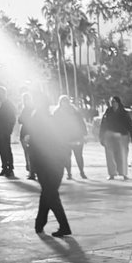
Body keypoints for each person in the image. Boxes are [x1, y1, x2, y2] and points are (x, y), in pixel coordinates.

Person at [28, 97, 72, 237]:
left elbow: (34, 147)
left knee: (50, 194)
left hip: (45, 164)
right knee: (48, 192)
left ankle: (63, 226)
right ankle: (40, 223)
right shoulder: (54, 121)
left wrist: (33, 166)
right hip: (57, 162)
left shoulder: (36, 123)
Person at [52, 96, 88, 180]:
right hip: (65, 138)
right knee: (67, 156)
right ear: (60, 103)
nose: (65, 104)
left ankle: (82, 172)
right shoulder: (57, 113)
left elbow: (81, 123)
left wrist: (84, 134)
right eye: (63, 102)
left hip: (76, 137)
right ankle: (69, 173)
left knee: (78, 155)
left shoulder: (75, 111)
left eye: (66, 102)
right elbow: (54, 126)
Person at [99, 95, 132, 179]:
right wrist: (101, 136)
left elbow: (129, 124)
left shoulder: (124, 112)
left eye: (114, 101)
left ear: (118, 102)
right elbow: (103, 125)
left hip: (122, 136)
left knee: (122, 155)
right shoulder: (108, 112)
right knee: (110, 156)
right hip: (110, 136)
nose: (113, 103)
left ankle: (123, 174)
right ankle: (112, 174)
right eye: (111, 102)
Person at [0, 86, 17, 177]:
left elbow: (12, 118)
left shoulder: (9, 104)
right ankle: (4, 167)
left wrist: (9, 130)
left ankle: (10, 168)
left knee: (7, 149)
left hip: (5, 131)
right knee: (1, 150)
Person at [17, 91, 36, 179]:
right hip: (26, 132)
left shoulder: (28, 109)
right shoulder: (30, 109)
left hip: (27, 133)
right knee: (29, 153)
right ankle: (31, 170)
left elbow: (21, 120)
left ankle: (31, 171)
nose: (25, 101)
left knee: (29, 153)